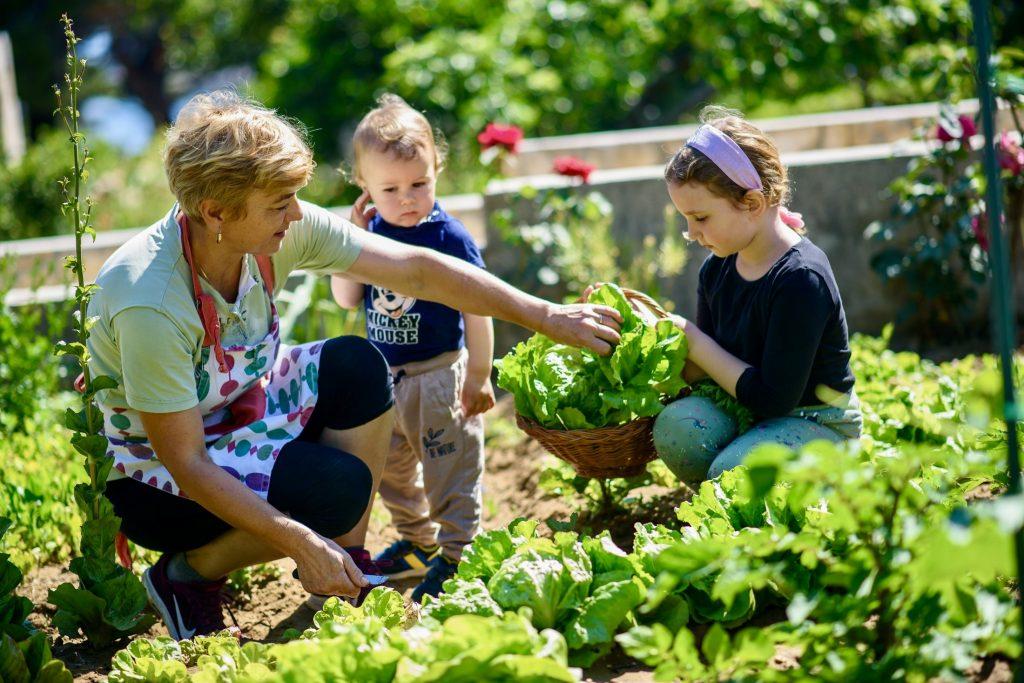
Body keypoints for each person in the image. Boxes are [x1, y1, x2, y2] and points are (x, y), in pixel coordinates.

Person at [88, 90, 623, 640]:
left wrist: (546, 315)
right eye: (279, 203)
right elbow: (187, 462)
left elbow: (416, 270)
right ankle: (187, 576)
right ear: (216, 212)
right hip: (158, 477)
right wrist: (301, 540)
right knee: (334, 492)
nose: (296, 213)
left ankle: (346, 565)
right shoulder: (150, 299)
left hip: (236, 411)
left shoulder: (273, 231)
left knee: (357, 363)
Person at [588, 106, 862, 486]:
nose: (691, 232)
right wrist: (639, 330)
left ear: (751, 203)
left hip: (816, 421)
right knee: (676, 428)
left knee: (733, 475)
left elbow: (774, 399)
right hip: (748, 411)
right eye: (685, 218)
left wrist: (693, 339)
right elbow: (708, 374)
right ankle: (730, 501)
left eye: (700, 218)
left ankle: (810, 484)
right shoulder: (716, 269)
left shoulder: (800, 278)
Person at [330, 95, 492, 601]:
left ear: (437, 170)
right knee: (392, 471)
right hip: (387, 380)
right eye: (390, 189)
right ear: (365, 188)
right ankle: (418, 543)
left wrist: (479, 374)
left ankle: (459, 554)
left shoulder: (449, 238)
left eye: (419, 184)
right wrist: (351, 239)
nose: (407, 199)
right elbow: (345, 297)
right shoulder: (371, 233)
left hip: (440, 376)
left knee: (450, 466)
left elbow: (479, 307)